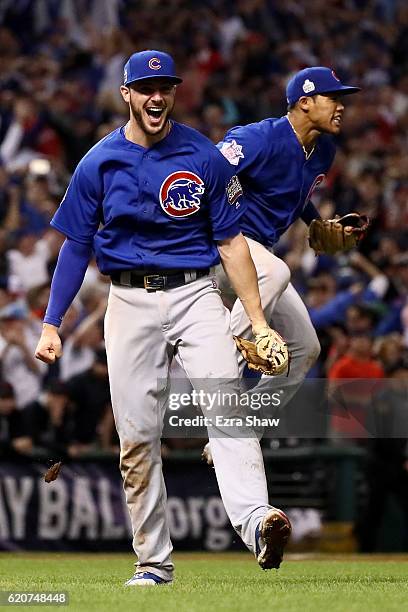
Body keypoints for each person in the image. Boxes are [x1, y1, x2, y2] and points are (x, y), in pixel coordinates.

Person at [34, 50, 291, 587]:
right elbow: (75, 247)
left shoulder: (203, 154)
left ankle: (258, 521)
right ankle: (153, 563)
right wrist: (53, 322)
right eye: (145, 87)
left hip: (195, 293)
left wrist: (256, 319)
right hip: (127, 301)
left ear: (174, 92)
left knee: (227, 405)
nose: (156, 96)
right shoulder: (98, 162)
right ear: (126, 94)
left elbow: (231, 243)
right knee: (136, 436)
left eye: (165, 86)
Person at [215, 67, 361, 422]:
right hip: (222, 246)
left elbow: (294, 194)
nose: (341, 106)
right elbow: (207, 172)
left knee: (305, 348)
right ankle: (218, 373)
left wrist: (316, 223)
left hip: (260, 253)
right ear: (305, 102)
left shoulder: (324, 149)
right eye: (333, 98)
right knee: (278, 271)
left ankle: (245, 424)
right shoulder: (259, 137)